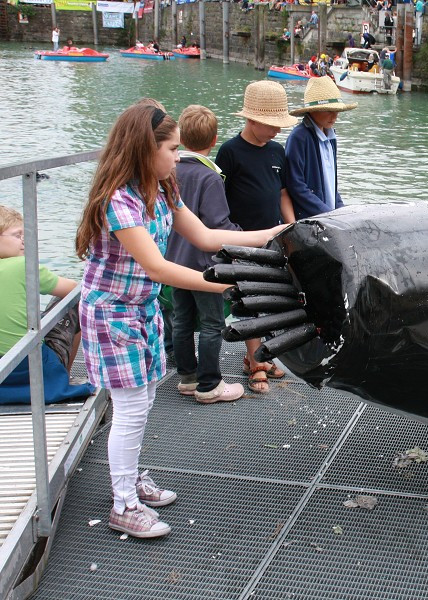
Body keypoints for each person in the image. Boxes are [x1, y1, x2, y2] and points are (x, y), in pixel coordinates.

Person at [75, 104, 286, 538]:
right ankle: (123, 504)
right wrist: (229, 285)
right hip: (113, 314)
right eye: (171, 149)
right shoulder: (118, 201)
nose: (178, 156)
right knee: (132, 409)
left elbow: (207, 237)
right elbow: (159, 268)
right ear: (143, 149)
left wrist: (273, 235)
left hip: (143, 309)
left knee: (144, 401)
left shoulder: (162, 186)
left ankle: (129, 478)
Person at [216, 81, 297, 394]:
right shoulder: (230, 152)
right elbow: (219, 199)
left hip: (272, 238)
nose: (277, 131)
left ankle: (261, 355)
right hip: (241, 239)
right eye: (272, 124)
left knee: (272, 300)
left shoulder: (277, 151)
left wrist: (291, 227)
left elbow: (282, 192)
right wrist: (229, 239)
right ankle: (255, 359)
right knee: (248, 302)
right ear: (251, 120)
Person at [165, 105, 245, 405]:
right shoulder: (210, 177)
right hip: (204, 267)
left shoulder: (170, 170)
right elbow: (218, 224)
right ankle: (209, 384)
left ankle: (187, 377)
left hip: (174, 262)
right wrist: (242, 235)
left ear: (182, 138)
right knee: (213, 324)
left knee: (182, 319)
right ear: (214, 140)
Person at [0, 206, 94, 406]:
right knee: (72, 302)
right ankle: (63, 375)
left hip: (2, 373)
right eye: (18, 235)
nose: (25, 241)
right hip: (30, 370)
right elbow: (78, 291)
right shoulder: (23, 266)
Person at [284, 77, 358, 223]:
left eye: (336, 110)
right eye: (329, 110)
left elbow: (332, 183)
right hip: (310, 220)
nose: (335, 115)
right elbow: (296, 185)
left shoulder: (331, 136)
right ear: (313, 111)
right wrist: (327, 214)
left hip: (328, 217)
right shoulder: (299, 137)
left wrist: (342, 211)